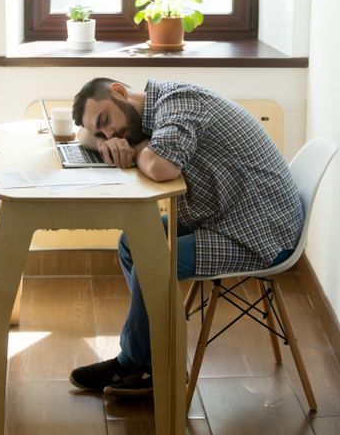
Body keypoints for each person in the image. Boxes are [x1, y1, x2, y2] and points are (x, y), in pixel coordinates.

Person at [68, 77, 304, 396]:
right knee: (131, 240)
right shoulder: (144, 118)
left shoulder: (179, 102)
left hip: (261, 231)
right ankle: (151, 361)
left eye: (106, 121)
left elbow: (163, 168)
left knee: (156, 260)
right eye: (102, 131)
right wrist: (102, 141)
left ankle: (132, 363)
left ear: (121, 91)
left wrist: (133, 148)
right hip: (222, 215)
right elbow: (82, 135)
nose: (110, 133)